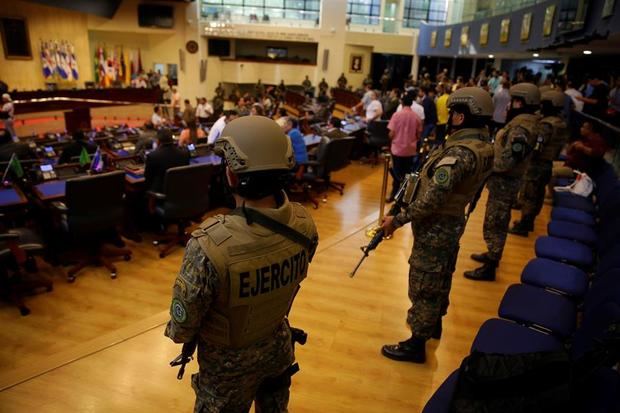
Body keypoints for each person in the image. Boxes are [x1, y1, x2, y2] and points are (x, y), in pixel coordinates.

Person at [165, 116, 318, 412]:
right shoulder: (304, 224)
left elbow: (182, 328)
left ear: (233, 176)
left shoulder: (209, 245)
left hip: (227, 370)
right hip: (278, 348)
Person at [379, 87, 495, 363]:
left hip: (437, 226)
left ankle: (416, 343)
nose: (451, 116)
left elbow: (431, 200)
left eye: (455, 112)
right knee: (441, 276)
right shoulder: (483, 145)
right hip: (452, 222)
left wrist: (396, 220)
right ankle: (433, 325)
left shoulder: (460, 153)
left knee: (424, 283)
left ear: (463, 116)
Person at [465, 83, 541, 281]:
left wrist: (489, 165)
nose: (510, 106)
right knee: (495, 220)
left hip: (505, 183)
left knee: (496, 222)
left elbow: (510, 159)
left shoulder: (521, 127)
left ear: (524, 102)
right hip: (503, 182)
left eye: (515, 101)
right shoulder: (525, 122)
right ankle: (491, 254)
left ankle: (491, 264)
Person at [510, 91, 570, 236]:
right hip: (547, 163)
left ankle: (523, 226)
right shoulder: (560, 122)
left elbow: (538, 146)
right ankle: (528, 222)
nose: (542, 106)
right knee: (537, 195)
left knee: (529, 195)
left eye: (545, 103)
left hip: (537, 164)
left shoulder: (546, 125)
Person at [386, 93, 422, 202]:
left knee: (396, 173)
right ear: (411, 104)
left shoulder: (396, 115)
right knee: (407, 173)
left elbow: (391, 134)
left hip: (397, 149)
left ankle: (394, 193)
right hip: (410, 150)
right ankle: (405, 196)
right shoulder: (416, 117)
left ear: (401, 103)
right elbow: (418, 135)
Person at [144, 128, 190, 193]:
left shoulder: (153, 156)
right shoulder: (185, 153)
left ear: (158, 141)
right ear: (172, 139)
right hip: (181, 190)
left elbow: (147, 177)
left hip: (161, 192)